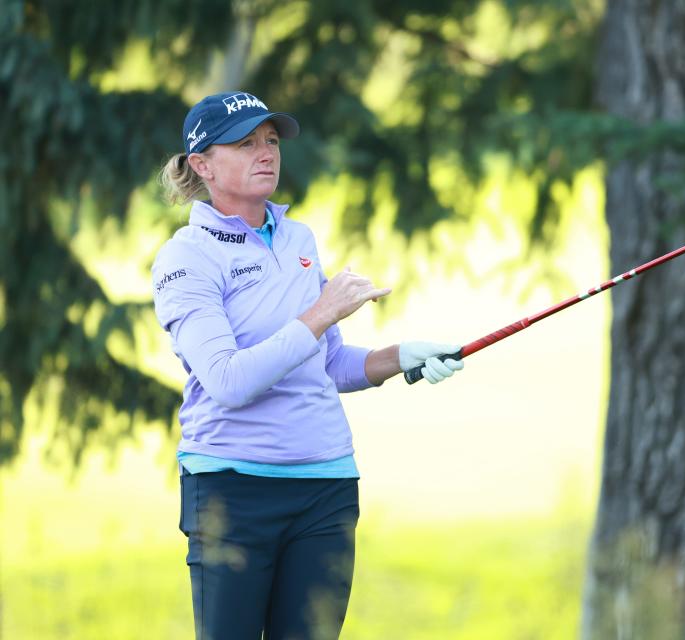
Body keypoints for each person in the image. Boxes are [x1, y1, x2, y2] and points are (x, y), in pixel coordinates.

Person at [152, 91, 464, 640]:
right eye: (245, 143)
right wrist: (321, 312)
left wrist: (399, 356)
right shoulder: (187, 256)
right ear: (202, 164)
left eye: (270, 140)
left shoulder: (298, 238)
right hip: (233, 489)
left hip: (326, 486)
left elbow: (329, 362)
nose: (266, 153)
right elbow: (227, 380)